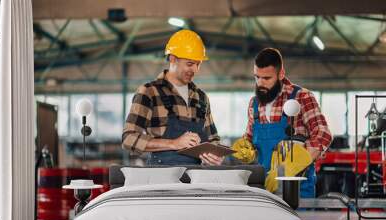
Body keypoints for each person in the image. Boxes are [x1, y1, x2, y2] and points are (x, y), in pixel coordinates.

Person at [122, 29, 224, 166]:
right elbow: (128, 139)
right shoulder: (149, 92)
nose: (194, 69)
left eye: (198, 64)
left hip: (195, 178)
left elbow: (213, 138)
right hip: (161, 178)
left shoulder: (201, 97)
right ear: (172, 59)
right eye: (189, 64)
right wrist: (173, 143)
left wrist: (215, 154)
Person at [242, 48, 332, 198]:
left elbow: (323, 134)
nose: (260, 83)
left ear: (281, 74)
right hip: (265, 189)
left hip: (297, 189)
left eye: (267, 78)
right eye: (256, 77)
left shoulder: (301, 97)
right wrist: (244, 148)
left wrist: (293, 164)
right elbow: (250, 139)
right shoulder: (254, 103)